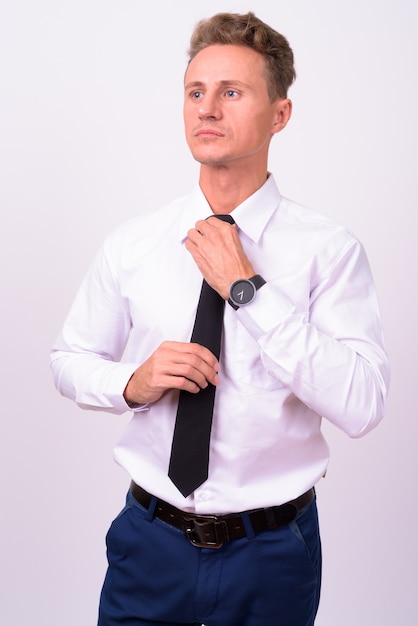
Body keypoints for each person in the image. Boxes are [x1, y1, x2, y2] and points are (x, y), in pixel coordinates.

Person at [51, 11, 390, 626]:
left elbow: (364, 404)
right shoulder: (134, 243)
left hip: (272, 553)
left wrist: (247, 290)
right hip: (147, 544)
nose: (208, 108)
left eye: (232, 92)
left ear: (280, 115)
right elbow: (68, 361)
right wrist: (133, 382)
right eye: (196, 92)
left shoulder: (329, 250)